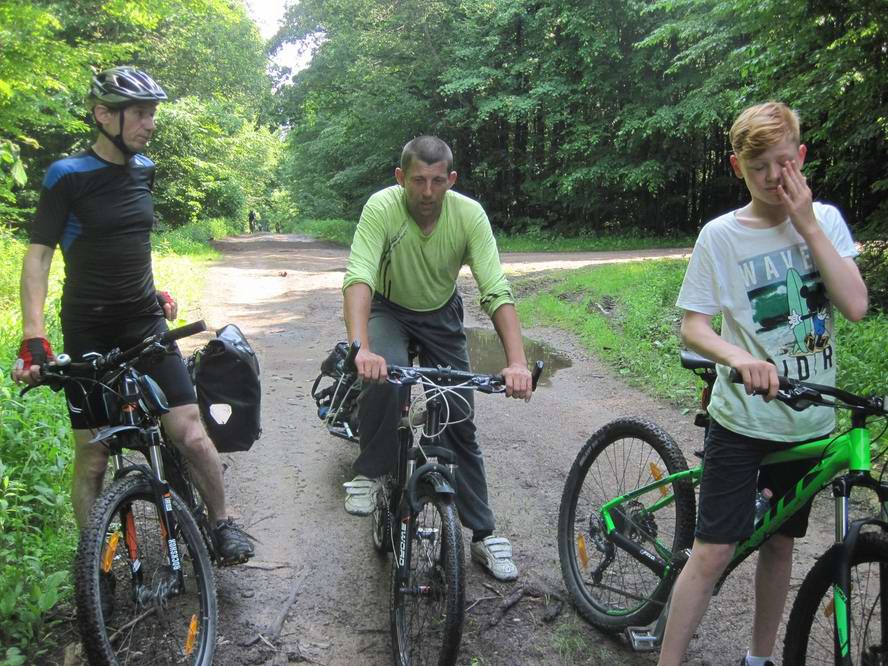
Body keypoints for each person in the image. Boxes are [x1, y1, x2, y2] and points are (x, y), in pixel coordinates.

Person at [11, 66, 254, 566]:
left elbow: (132, 243)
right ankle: (93, 559)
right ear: (104, 116)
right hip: (89, 328)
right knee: (94, 454)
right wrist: (33, 335)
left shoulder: (143, 168)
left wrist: (155, 288)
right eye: (140, 113)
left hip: (144, 322)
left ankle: (223, 522)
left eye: (152, 113)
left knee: (188, 431)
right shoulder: (68, 176)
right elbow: (37, 256)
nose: (150, 122)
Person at [659, 102, 868, 665]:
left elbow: (854, 305)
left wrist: (806, 227)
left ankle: (760, 658)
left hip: (809, 422)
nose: (775, 179)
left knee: (781, 544)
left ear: (801, 156)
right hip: (744, 420)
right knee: (713, 550)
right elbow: (694, 326)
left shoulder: (823, 221)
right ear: (737, 168)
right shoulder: (721, 237)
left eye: (784, 163)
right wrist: (738, 358)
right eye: (760, 169)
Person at [341, 135, 533, 581]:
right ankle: (369, 472)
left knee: (459, 416)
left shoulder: (468, 215)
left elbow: (495, 289)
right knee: (386, 378)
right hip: (388, 308)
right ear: (400, 178)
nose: (427, 193)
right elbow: (359, 276)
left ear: (451, 179)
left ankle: (483, 535)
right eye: (417, 181)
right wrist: (360, 348)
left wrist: (517, 362)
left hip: (440, 313)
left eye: (436, 181)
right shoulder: (382, 208)